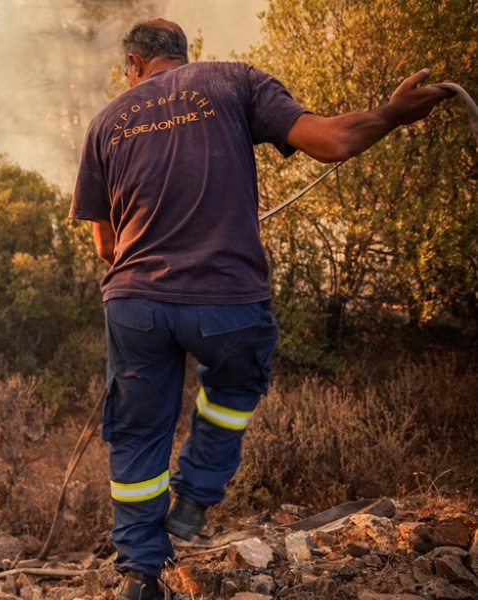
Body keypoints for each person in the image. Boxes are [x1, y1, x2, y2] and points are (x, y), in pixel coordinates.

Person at [68, 18, 453, 600]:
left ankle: (141, 575)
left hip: (135, 304)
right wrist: (394, 113)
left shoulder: (107, 122)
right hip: (226, 300)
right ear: (182, 55)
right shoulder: (233, 80)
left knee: (137, 434)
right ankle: (195, 496)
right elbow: (333, 142)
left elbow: (105, 247)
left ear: (134, 65)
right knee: (230, 392)